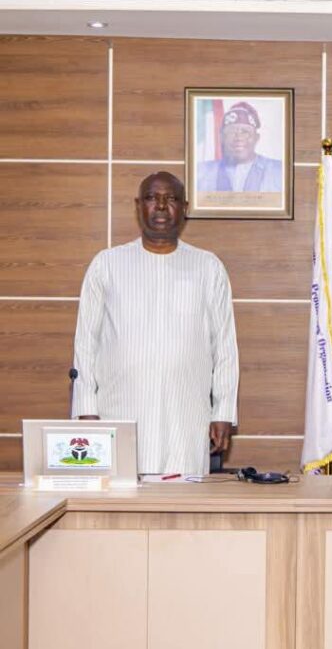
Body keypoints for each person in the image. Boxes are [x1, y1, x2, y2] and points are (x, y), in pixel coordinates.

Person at [72, 172, 239, 475]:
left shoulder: (208, 267)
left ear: (184, 208)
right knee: (119, 501)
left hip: (185, 420)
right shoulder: (106, 265)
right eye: (151, 198)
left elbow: (225, 348)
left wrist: (223, 411)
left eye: (170, 198)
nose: (161, 206)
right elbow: (85, 345)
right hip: (118, 417)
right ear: (138, 206)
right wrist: (86, 410)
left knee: (182, 502)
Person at [196, 101, 283, 193]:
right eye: (231, 131)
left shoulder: (280, 171)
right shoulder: (199, 172)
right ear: (221, 137)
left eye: (245, 132)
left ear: (256, 138)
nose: (239, 137)